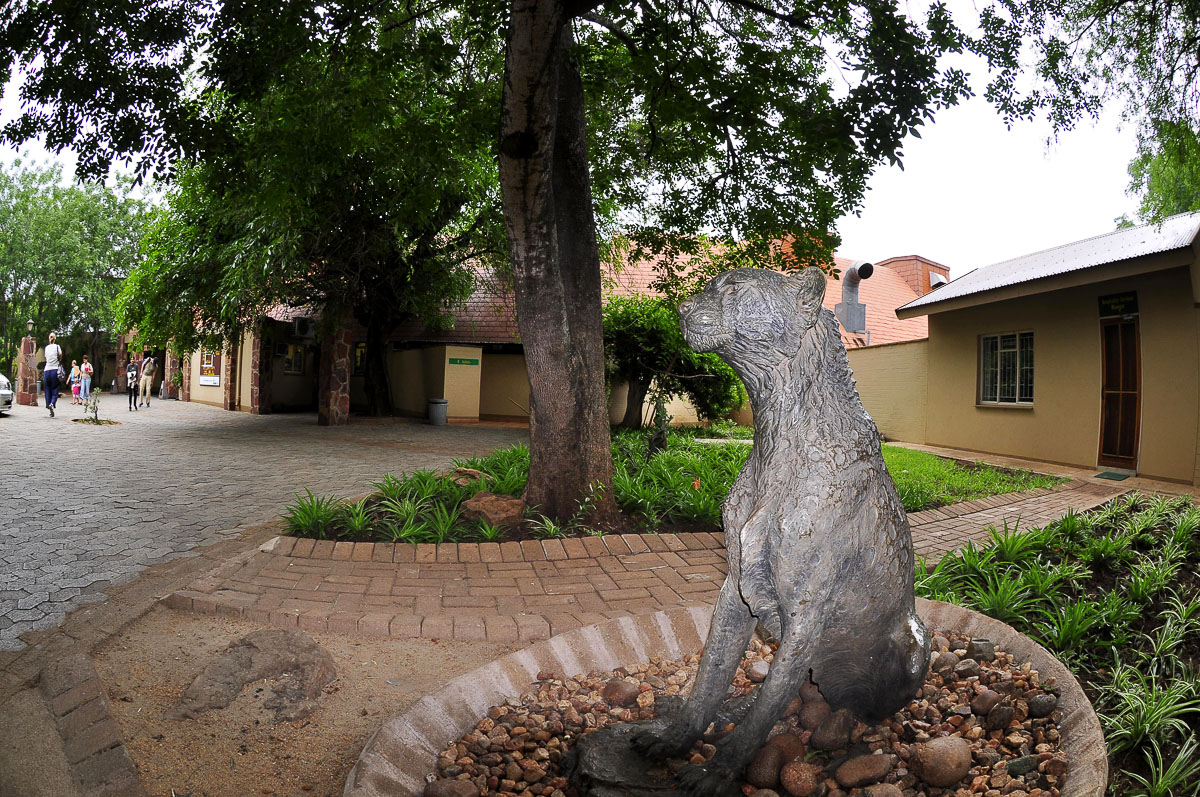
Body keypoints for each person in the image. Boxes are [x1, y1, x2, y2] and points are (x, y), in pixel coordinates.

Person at [43, 332, 63, 417]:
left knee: (47, 389)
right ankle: (52, 403)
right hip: (55, 370)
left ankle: (48, 405)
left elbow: (46, 358)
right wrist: (58, 361)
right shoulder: (57, 346)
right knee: (55, 389)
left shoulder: (46, 348)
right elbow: (60, 355)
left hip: (47, 371)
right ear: (55, 339)